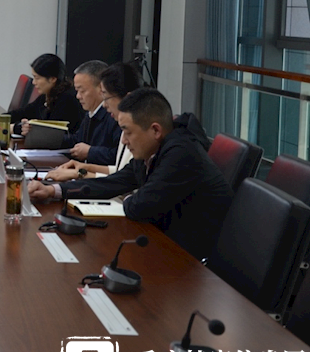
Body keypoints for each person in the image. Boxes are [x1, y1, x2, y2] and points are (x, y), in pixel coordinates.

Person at [28, 88, 233, 261]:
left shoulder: (182, 153)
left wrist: (130, 198)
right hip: (166, 242)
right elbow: (116, 182)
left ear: (155, 130)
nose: (124, 141)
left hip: (190, 261)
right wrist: (53, 191)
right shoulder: (155, 147)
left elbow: (139, 206)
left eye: (128, 132)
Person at [47, 61, 142, 181]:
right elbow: (121, 171)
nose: (104, 105)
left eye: (106, 96)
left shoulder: (122, 121)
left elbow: (125, 180)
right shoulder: (92, 114)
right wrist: (84, 168)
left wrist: (81, 171)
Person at [0, 54, 83, 135]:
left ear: (52, 79)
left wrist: (17, 128)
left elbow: (48, 133)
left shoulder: (67, 100)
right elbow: (22, 113)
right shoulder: (48, 95)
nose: (33, 82)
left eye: (37, 78)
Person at [58, 60, 122, 164]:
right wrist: (42, 136)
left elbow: (118, 155)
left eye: (82, 91)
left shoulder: (114, 116)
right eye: (77, 91)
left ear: (101, 88)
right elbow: (77, 140)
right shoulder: (90, 113)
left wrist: (90, 152)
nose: (78, 96)